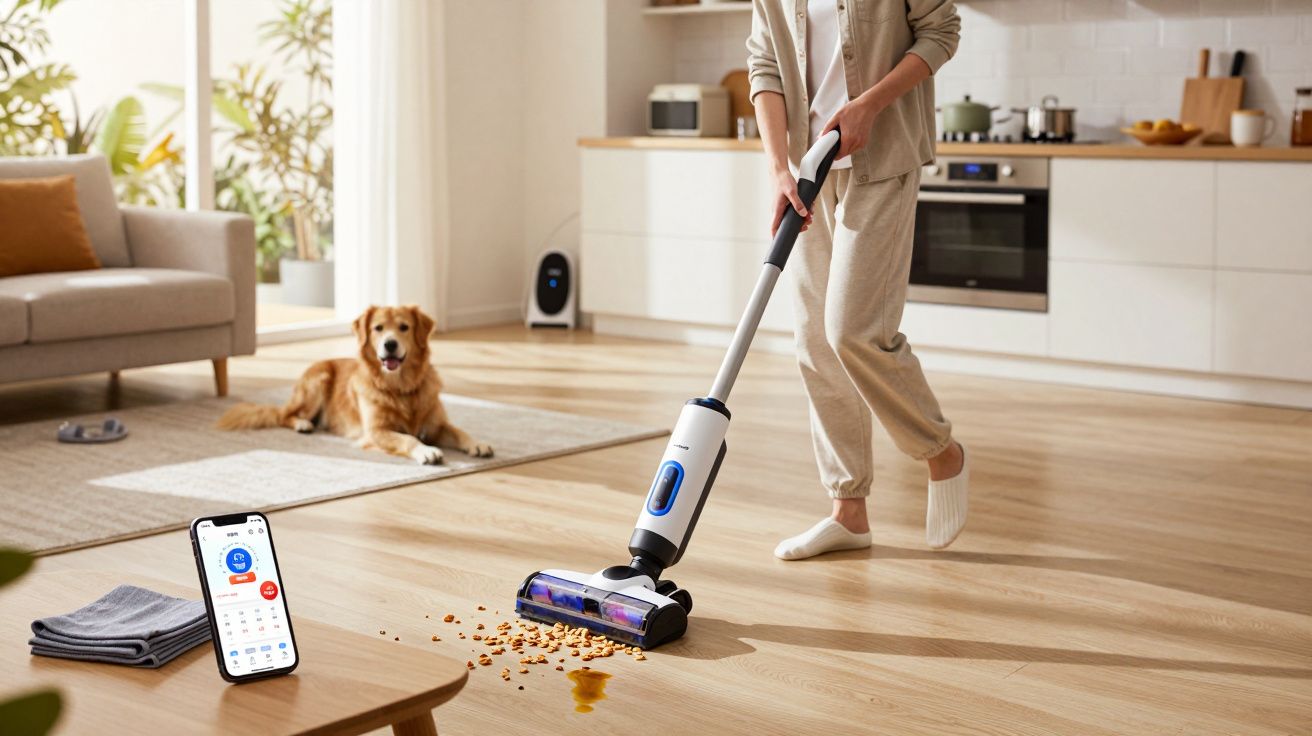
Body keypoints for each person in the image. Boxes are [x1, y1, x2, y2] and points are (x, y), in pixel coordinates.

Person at [746, 0, 966, 559]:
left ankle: (939, 450)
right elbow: (765, 64)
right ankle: (848, 510)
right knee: (815, 341)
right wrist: (778, 168)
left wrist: (869, 105)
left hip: (884, 154)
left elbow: (941, 31)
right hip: (807, 170)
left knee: (851, 330)